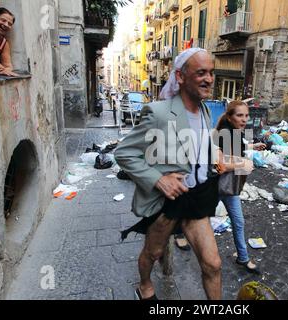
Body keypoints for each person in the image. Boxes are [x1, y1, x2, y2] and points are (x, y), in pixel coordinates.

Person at [114, 48, 223, 300]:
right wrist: (158, 179)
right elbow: (124, 153)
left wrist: (217, 157)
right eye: (201, 73)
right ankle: (145, 285)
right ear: (181, 77)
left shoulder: (205, 111)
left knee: (213, 264)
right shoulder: (159, 112)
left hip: (196, 198)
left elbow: (196, 147)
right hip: (167, 203)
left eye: (211, 72)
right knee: (153, 253)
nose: (209, 79)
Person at [215, 101, 266, 274]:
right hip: (214, 187)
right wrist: (244, 164)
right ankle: (180, 234)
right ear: (229, 117)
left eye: (246, 115)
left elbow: (239, 148)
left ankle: (242, 257)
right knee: (199, 219)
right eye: (239, 115)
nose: (244, 119)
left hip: (230, 188)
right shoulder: (223, 135)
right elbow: (219, 165)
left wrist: (252, 147)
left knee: (238, 221)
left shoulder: (235, 133)